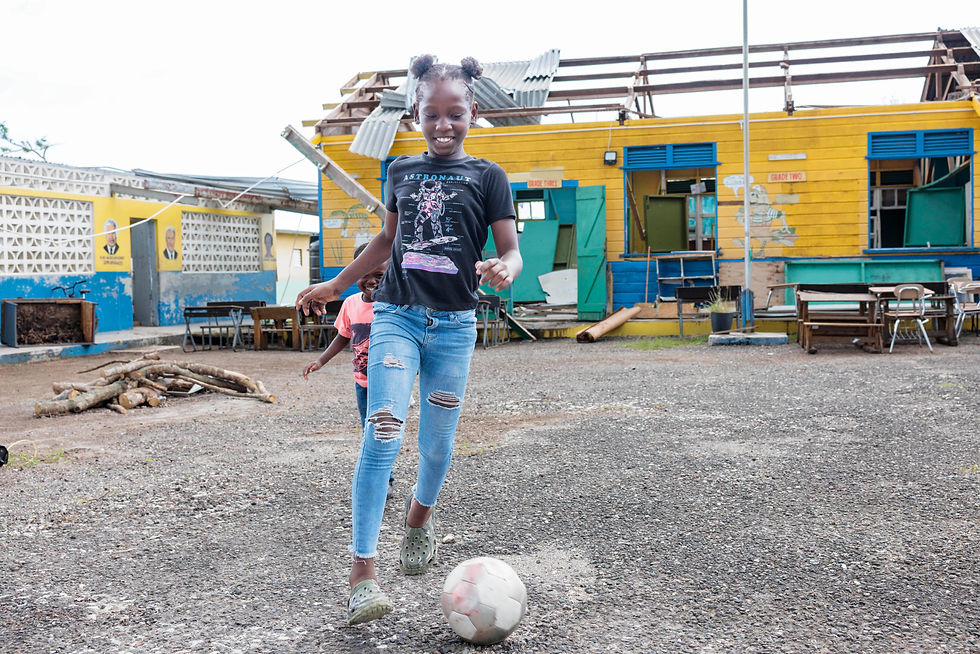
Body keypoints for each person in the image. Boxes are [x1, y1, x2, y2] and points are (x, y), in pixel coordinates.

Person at [296, 54, 522, 626]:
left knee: (438, 447)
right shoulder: (400, 172)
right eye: (431, 115)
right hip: (396, 315)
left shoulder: (490, 177)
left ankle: (418, 522)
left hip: (454, 327)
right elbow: (387, 243)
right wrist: (337, 283)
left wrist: (506, 268)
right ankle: (362, 574)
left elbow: (512, 249)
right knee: (384, 430)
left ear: (473, 111)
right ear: (414, 115)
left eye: (455, 114)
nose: (443, 125)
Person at [302, 243, 395, 497]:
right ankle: (379, 476)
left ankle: (383, 479)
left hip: (389, 382)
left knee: (383, 429)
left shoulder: (395, 305)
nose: (372, 281)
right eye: (365, 274)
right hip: (362, 381)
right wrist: (320, 361)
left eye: (380, 275)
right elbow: (343, 336)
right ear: (354, 274)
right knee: (368, 428)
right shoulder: (351, 304)